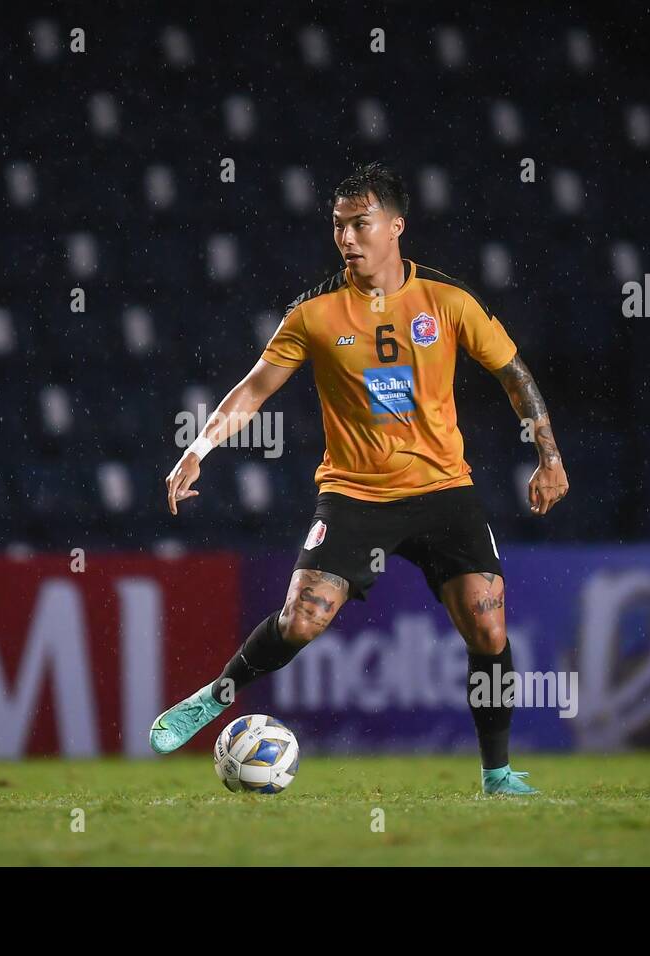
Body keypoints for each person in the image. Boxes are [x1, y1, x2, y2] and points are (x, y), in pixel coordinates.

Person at [152, 162, 569, 795]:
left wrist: (549, 455)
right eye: (339, 226)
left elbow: (514, 375)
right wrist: (199, 448)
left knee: (489, 628)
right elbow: (254, 390)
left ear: (396, 226)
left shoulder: (448, 302)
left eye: (360, 223)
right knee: (301, 619)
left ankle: (498, 774)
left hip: (442, 491)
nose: (347, 237)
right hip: (354, 494)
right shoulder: (315, 314)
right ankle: (216, 696)